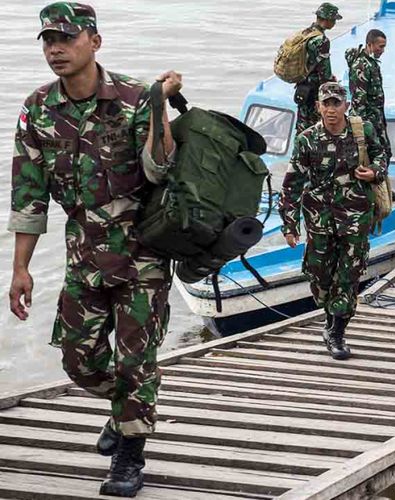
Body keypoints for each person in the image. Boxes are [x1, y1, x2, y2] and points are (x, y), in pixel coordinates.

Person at [8, 3, 181, 496]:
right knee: (77, 360)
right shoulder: (38, 108)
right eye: (47, 40)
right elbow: (28, 194)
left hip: (142, 254)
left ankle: (130, 456)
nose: (55, 49)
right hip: (83, 254)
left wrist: (157, 105)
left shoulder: (133, 97)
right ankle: (126, 410)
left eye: (66, 38)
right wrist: (20, 269)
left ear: (95, 42)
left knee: (135, 361)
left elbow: (159, 171)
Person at [280, 82, 387, 360]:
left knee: (349, 276)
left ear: (346, 106)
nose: (331, 109)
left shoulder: (362, 132)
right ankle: (330, 317)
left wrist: (374, 171)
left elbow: (381, 156)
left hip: (354, 218)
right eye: (325, 104)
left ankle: (337, 331)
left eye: (336, 103)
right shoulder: (307, 139)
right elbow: (292, 183)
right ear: (318, 107)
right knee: (319, 275)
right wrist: (289, 225)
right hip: (319, 220)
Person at [294, 2, 341, 134]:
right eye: (334, 20)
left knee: (302, 124)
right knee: (316, 127)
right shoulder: (322, 40)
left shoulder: (306, 33)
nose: (334, 23)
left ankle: (300, 150)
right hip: (314, 89)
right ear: (327, 19)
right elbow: (325, 73)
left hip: (302, 87)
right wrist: (332, 82)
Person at [346, 29, 391, 161]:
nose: (382, 50)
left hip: (376, 119)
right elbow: (359, 101)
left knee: (385, 153)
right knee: (376, 155)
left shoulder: (371, 63)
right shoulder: (361, 66)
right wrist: (363, 131)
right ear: (370, 44)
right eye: (380, 46)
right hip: (368, 122)